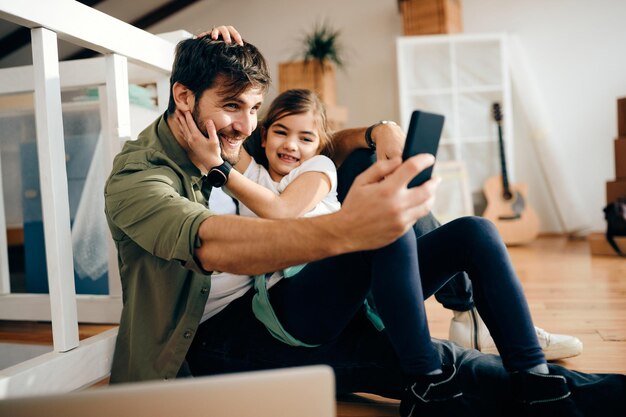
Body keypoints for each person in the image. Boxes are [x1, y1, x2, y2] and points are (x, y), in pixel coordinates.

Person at [104, 28, 625, 416]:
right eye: (231, 106)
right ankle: (437, 379)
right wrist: (348, 230)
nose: (246, 124)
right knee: (455, 367)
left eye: (254, 108)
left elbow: (314, 147)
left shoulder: (241, 149)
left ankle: (535, 380)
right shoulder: (139, 176)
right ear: (183, 97)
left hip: (313, 301)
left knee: (474, 235)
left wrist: (381, 131)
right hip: (231, 342)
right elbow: (212, 244)